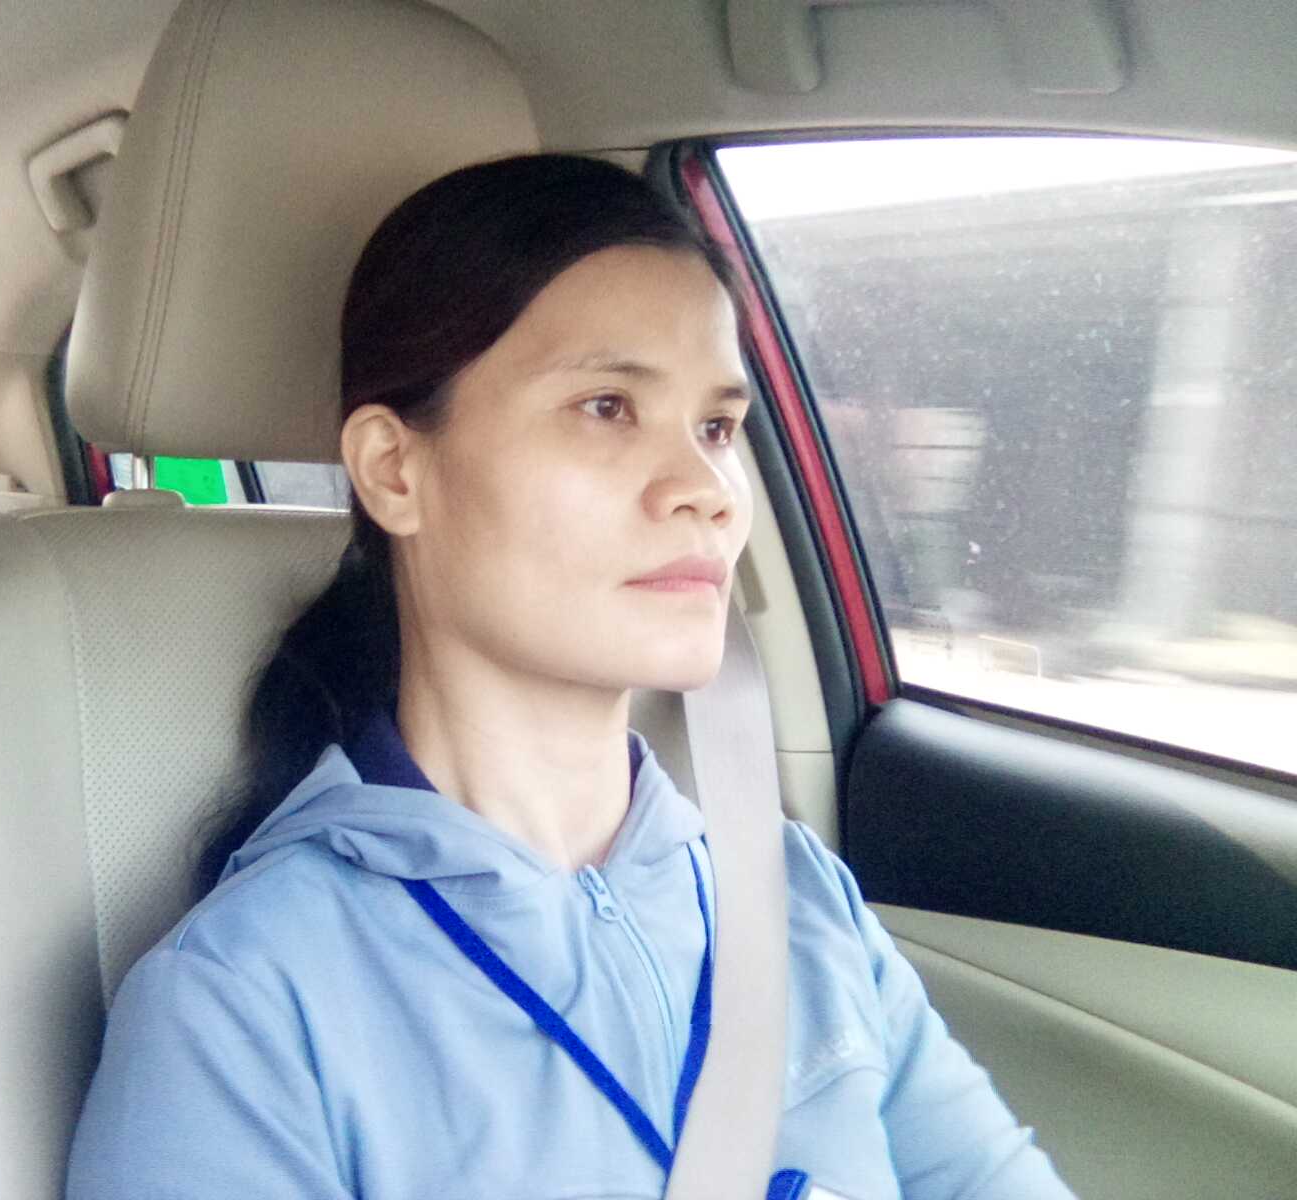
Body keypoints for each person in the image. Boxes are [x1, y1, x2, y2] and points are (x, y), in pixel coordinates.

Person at [64, 154, 1076, 1200]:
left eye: (716, 428)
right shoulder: (246, 1005)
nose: (707, 489)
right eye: (605, 406)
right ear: (394, 470)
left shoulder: (794, 898)